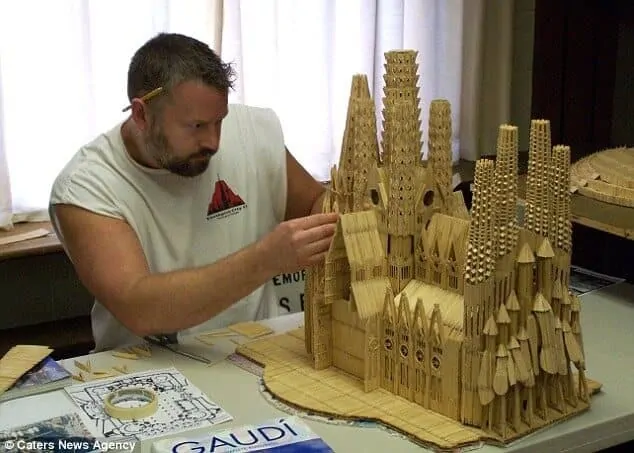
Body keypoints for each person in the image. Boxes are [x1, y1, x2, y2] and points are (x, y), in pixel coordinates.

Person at [48, 33, 339, 352]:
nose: (213, 142)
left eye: (220, 121)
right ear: (141, 114)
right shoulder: (85, 186)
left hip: (256, 351)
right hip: (146, 370)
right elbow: (139, 307)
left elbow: (318, 205)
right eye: (196, 126)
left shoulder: (252, 132)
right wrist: (265, 259)